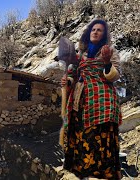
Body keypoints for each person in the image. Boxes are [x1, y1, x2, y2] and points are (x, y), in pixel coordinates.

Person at [61, 19, 122, 179]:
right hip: (81, 100)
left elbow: (114, 76)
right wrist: (67, 81)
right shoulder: (81, 55)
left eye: (99, 30)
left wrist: (107, 62)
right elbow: (73, 76)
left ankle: (103, 174)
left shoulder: (110, 51)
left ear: (104, 34)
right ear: (89, 33)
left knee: (99, 137)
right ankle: (82, 171)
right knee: (82, 135)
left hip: (103, 102)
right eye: (93, 29)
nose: (95, 32)